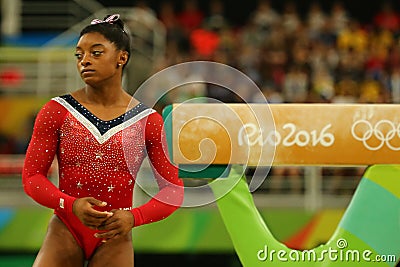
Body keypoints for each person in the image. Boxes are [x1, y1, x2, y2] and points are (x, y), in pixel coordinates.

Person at [22, 14, 184, 267]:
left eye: (96, 53)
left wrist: (134, 217)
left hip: (115, 236)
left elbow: (173, 191)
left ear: (122, 58)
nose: (84, 60)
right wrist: (70, 204)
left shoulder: (147, 120)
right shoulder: (57, 110)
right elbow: (32, 177)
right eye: (79, 55)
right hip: (66, 228)